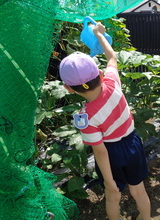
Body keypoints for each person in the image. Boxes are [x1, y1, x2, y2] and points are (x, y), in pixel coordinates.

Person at [59, 22, 151, 220]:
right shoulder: (112, 81)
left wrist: (109, 182)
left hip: (111, 154)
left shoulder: (85, 118)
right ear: (99, 74)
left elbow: (99, 151)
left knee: (112, 196)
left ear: (69, 89)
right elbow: (112, 57)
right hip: (133, 143)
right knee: (139, 191)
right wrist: (99, 34)